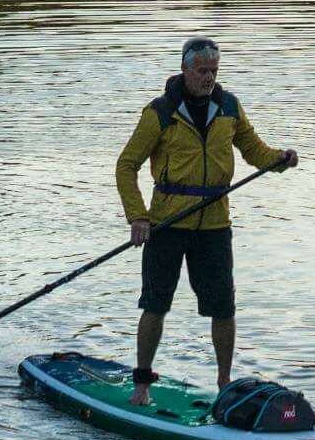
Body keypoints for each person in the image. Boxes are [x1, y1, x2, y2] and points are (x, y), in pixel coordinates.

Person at [116, 37, 298, 397]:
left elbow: (253, 150)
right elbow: (126, 166)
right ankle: (141, 383)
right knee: (156, 303)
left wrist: (279, 159)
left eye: (214, 70)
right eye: (202, 71)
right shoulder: (159, 113)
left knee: (224, 306)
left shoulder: (229, 107)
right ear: (185, 70)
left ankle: (223, 383)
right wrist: (138, 217)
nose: (209, 78)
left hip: (214, 225)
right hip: (166, 225)